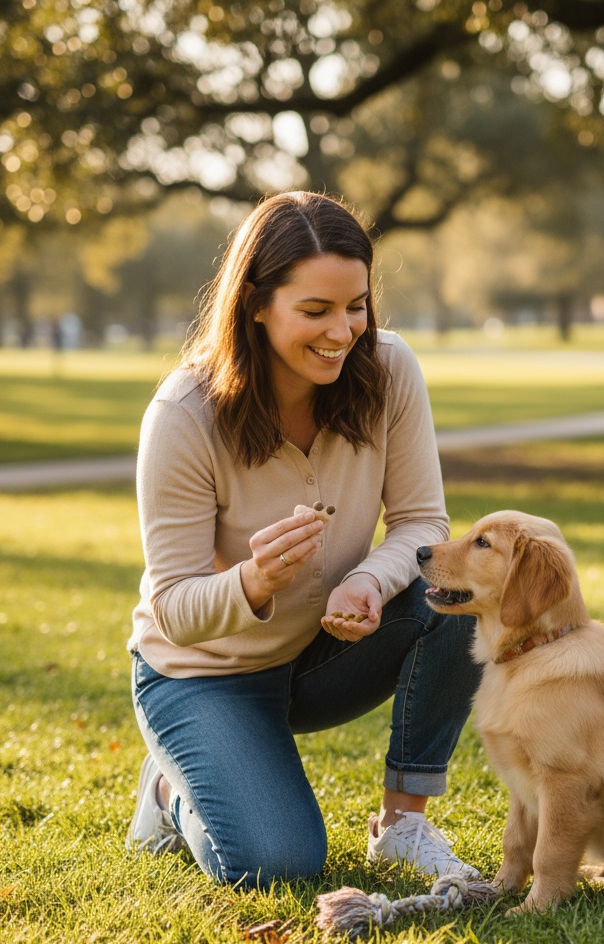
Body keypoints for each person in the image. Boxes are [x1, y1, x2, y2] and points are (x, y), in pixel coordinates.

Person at [125, 191, 482, 889]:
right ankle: (169, 793)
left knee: (463, 590)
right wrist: (252, 582)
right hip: (203, 677)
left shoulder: (389, 370)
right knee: (277, 866)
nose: (342, 332)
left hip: (324, 657)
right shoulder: (184, 414)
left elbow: (422, 524)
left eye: (356, 306)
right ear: (256, 304)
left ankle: (404, 824)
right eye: (315, 311)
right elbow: (172, 608)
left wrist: (368, 582)